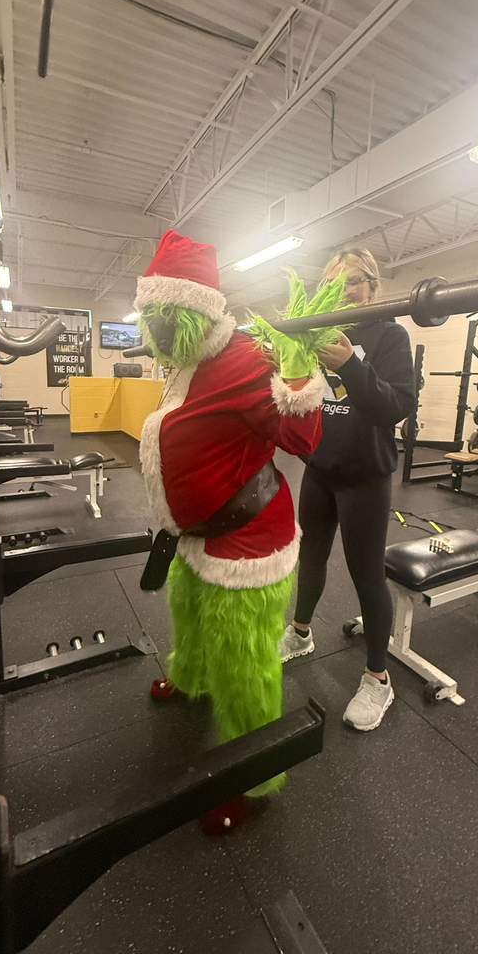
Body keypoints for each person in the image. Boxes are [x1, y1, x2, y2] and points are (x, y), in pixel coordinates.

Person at [135, 229, 345, 833]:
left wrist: (299, 370)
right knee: (190, 616)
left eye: (170, 317)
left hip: (246, 542)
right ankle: (190, 679)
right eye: (153, 316)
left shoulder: (247, 359)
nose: (160, 330)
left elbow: (302, 439)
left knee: (244, 660)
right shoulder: (184, 360)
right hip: (195, 536)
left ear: (199, 312)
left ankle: (256, 777)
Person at [278, 248, 416, 731]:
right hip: (320, 471)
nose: (344, 291)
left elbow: (396, 406)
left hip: (365, 477)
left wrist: (352, 367)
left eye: (355, 281)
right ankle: (301, 634)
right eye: (333, 283)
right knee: (311, 558)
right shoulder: (317, 332)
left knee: (366, 576)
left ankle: (378, 678)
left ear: (373, 288)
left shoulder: (390, 335)